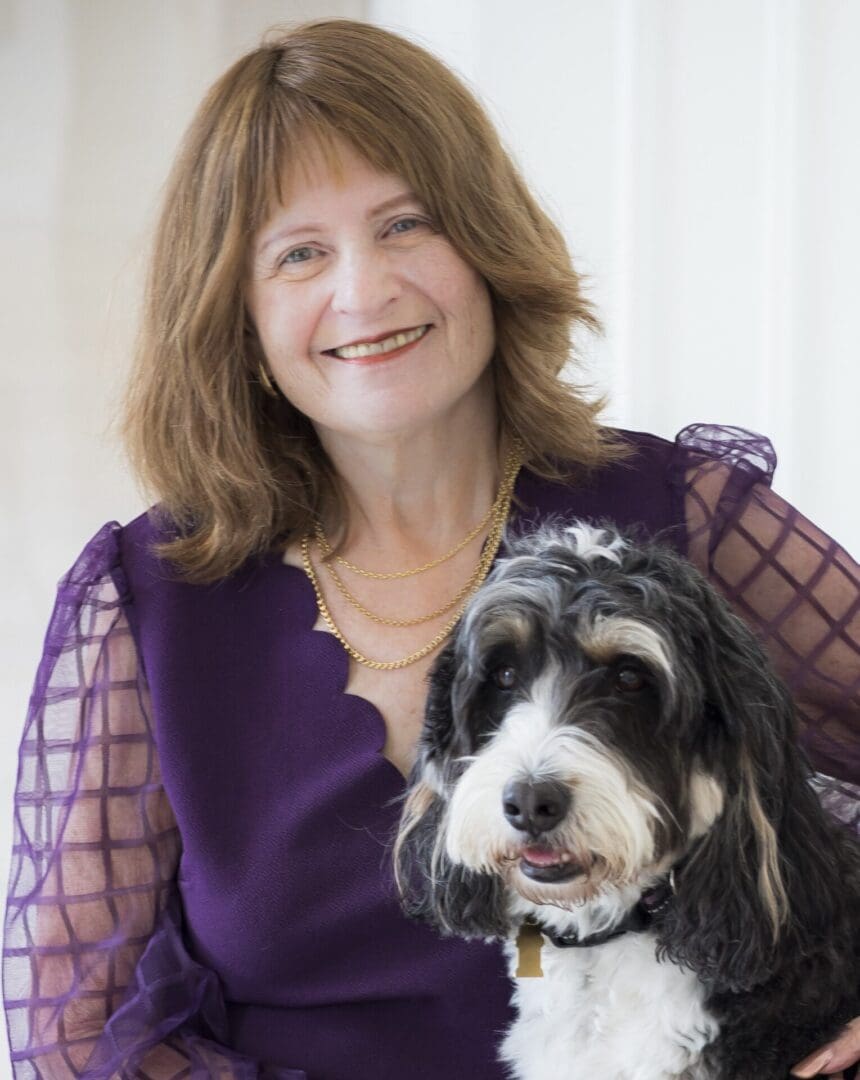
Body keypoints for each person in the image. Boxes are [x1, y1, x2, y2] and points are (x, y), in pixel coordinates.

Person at [3, 18, 858, 1080]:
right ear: (239, 316)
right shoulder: (154, 604)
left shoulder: (677, 518)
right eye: (299, 253)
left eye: (404, 224)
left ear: (484, 245)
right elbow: (68, 1032)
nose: (362, 292)